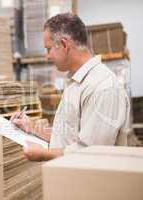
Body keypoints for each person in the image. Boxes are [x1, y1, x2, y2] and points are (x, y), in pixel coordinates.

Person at [11, 13, 131, 161]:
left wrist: (42, 154)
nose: (47, 56)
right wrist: (30, 126)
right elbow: (68, 138)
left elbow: (90, 153)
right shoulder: (76, 82)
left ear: (64, 45)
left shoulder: (103, 88)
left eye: (48, 49)